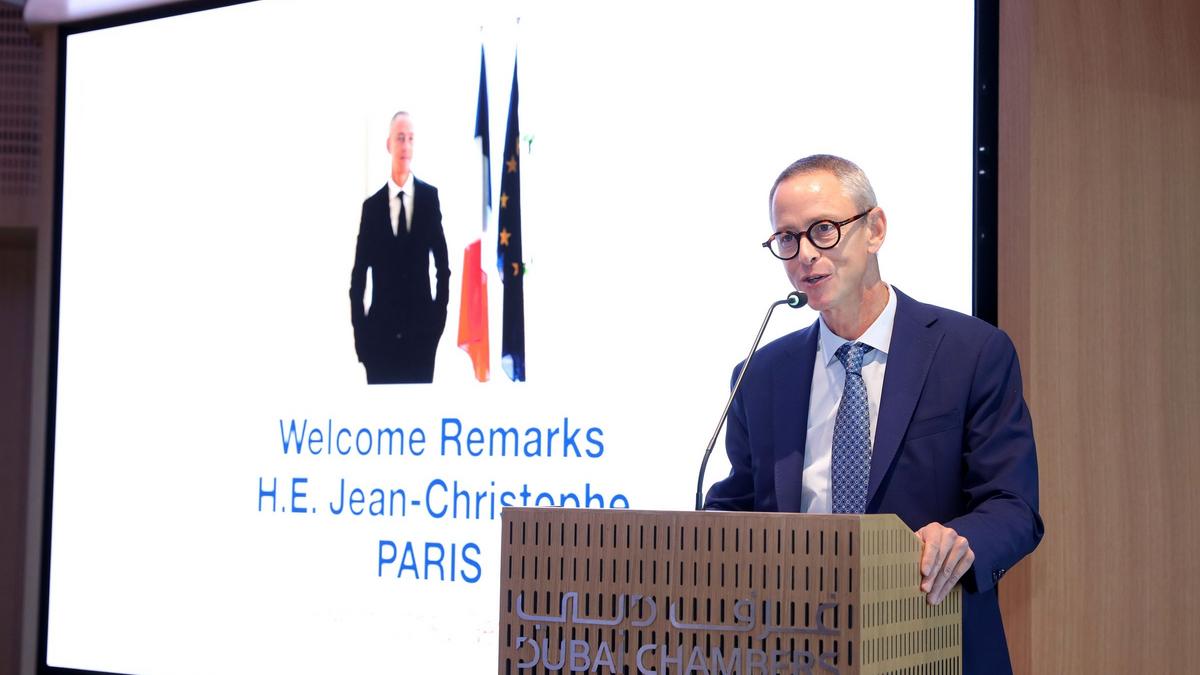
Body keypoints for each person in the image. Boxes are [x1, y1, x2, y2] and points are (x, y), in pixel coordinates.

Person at [704, 155, 1043, 674]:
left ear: (875, 229)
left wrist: (963, 541)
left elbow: (1013, 505)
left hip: (931, 639)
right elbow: (736, 507)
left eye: (823, 229)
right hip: (796, 649)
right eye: (787, 238)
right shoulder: (762, 374)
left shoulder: (971, 352)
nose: (805, 255)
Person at [349, 111, 451, 384]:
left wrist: (436, 324)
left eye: (411, 139)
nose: (406, 145)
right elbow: (358, 278)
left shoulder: (429, 199)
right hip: (379, 343)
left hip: (421, 341)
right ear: (389, 144)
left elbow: (443, 268)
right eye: (400, 138)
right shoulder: (371, 208)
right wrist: (362, 340)